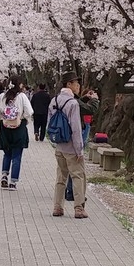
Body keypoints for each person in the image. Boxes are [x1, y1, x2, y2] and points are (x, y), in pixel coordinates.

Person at [49, 73, 88, 218]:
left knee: (61, 178)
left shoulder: (54, 101)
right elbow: (76, 129)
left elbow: (50, 123)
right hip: (72, 147)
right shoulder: (73, 103)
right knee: (78, 176)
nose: (78, 86)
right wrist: (79, 149)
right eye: (76, 83)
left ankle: (57, 207)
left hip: (59, 146)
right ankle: (79, 208)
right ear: (69, 84)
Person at [0, 81, 33, 189]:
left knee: (7, 153)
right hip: (19, 128)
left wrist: (4, 116)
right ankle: (13, 182)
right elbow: (29, 111)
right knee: (17, 155)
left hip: (5, 128)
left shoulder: (2, 96)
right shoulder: (22, 96)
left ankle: (4, 175)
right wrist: (20, 116)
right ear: (19, 85)